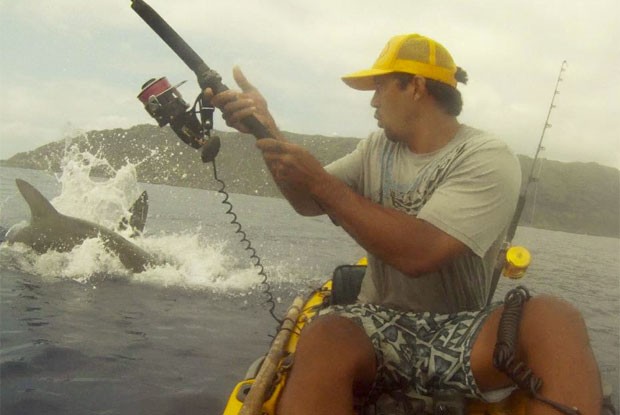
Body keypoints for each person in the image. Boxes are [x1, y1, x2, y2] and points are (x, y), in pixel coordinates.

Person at [206, 34, 602, 415]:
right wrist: (267, 132)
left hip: (460, 327)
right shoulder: (376, 147)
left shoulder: (486, 156)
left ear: (415, 87)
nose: (373, 102)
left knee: (555, 317)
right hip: (376, 323)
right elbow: (308, 200)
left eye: (380, 88)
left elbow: (421, 252)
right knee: (325, 335)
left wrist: (319, 181)